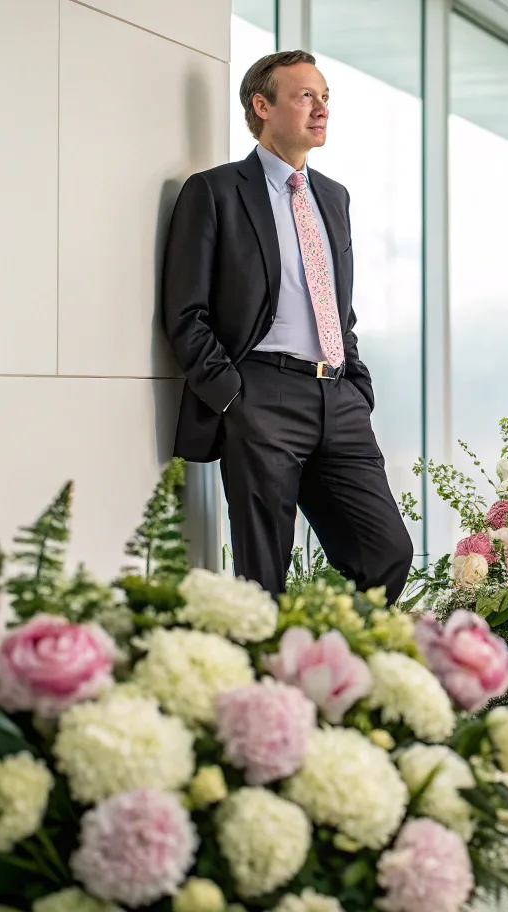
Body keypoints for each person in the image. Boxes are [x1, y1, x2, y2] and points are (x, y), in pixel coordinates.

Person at [162, 49, 413, 601]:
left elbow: (336, 304)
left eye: (325, 97)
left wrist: (355, 383)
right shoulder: (216, 191)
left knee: (387, 555)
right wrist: (233, 397)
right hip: (261, 395)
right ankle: (268, 685)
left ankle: (330, 673)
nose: (321, 108)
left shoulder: (333, 196)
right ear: (262, 105)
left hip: (338, 398)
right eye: (306, 96)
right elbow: (185, 312)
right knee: (263, 578)